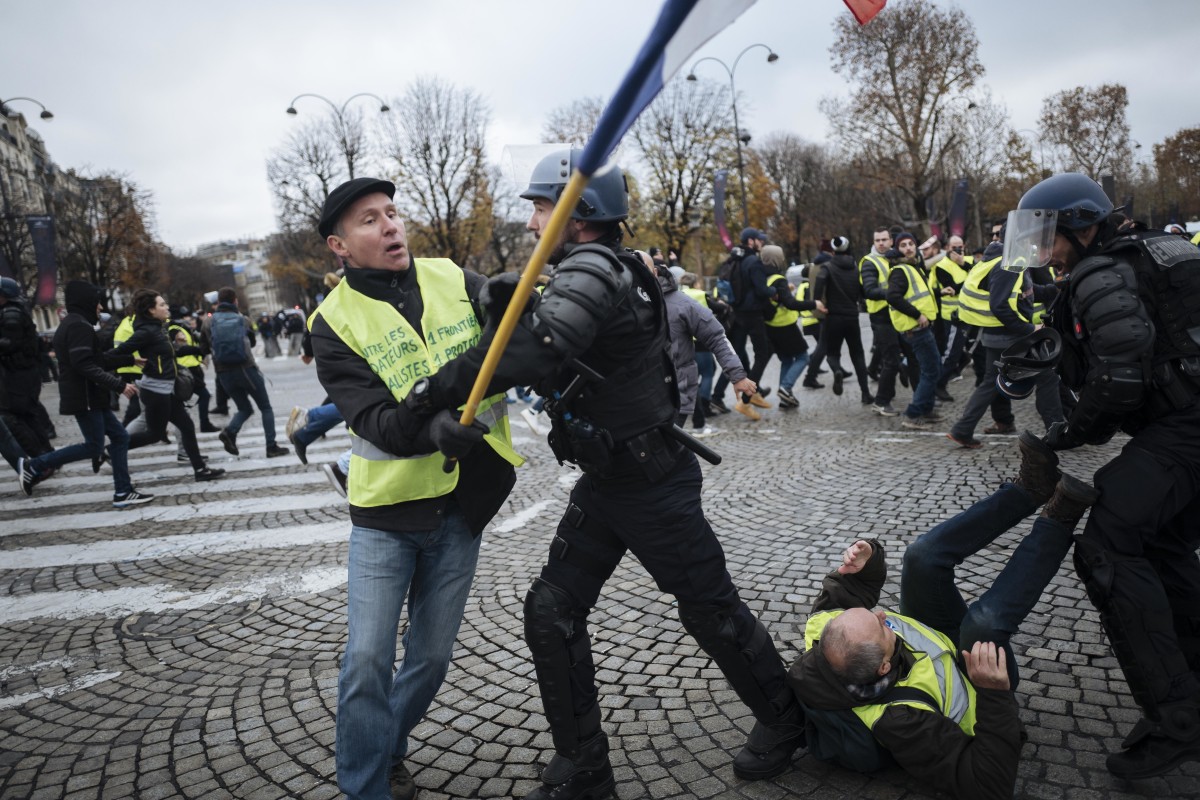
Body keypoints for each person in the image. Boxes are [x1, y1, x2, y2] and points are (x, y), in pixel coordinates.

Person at [429, 149, 806, 799]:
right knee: (551, 609)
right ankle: (585, 766)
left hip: (653, 483)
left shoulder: (598, 271)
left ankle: (786, 721)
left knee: (712, 613)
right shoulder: (606, 269)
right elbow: (557, 358)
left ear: (578, 215)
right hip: (609, 481)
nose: (530, 223)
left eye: (542, 208)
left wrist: (426, 395)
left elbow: (534, 350)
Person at [308, 177, 522, 800]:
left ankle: (388, 741)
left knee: (429, 660)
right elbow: (375, 421)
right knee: (368, 660)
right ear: (339, 246)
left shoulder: (452, 276)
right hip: (387, 515)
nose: (391, 226)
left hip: (465, 504)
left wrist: (523, 298)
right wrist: (432, 423)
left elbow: (518, 328)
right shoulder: (331, 323)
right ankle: (365, 787)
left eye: (393, 213)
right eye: (370, 220)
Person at [1008, 173, 1200, 778]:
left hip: (1186, 428)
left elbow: (1119, 380)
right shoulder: (1159, 250)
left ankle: (1177, 720)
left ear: (1082, 226)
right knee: (1161, 542)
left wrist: (1068, 433)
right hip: (1185, 423)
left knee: (1107, 544)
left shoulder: (1100, 271)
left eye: (1049, 235)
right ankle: (1190, 690)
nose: (1043, 250)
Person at [788, 433, 1100, 799]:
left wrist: (867, 555)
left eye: (868, 613)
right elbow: (988, 786)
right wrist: (995, 694)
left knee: (921, 557)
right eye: (881, 624)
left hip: (936, 641)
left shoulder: (825, 629)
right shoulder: (901, 721)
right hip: (979, 679)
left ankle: (1028, 490)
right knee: (982, 623)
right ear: (884, 667)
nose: (883, 612)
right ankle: (1057, 520)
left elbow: (852, 591)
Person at [17, 281, 154, 507]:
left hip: (91, 397)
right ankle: (35, 466)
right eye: (97, 302)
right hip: (86, 397)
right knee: (94, 446)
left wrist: (130, 359)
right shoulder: (78, 327)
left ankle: (123, 491)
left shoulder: (75, 324)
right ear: (87, 302)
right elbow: (84, 365)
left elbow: (96, 359)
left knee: (120, 437)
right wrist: (119, 385)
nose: (100, 307)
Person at [947, 232, 1063, 449]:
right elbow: (999, 305)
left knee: (991, 382)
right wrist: (1030, 328)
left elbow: (1026, 292)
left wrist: (1055, 288)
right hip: (1010, 336)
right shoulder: (1008, 264)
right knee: (1047, 377)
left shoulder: (1011, 261)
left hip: (1001, 336)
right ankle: (1057, 431)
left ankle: (963, 429)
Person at [106, 290, 225, 482]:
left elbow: (171, 352)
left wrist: (198, 349)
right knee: (154, 434)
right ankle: (112, 448)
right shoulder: (146, 331)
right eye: (162, 305)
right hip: (155, 391)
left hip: (166, 389)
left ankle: (201, 470)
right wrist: (128, 361)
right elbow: (117, 353)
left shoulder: (158, 328)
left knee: (186, 426)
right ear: (151, 310)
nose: (166, 307)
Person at [654, 259, 751, 433]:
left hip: (675, 392)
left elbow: (716, 336)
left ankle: (704, 409)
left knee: (668, 450)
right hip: (636, 396)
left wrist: (737, 375)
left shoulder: (682, 302)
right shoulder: (623, 302)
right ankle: (704, 409)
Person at [203, 288, 289, 459]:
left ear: (218, 302)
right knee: (265, 407)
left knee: (244, 408)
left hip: (223, 373)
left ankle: (230, 432)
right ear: (235, 301)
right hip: (246, 369)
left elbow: (204, 348)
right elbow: (251, 342)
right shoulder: (243, 320)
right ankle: (271, 446)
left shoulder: (208, 322)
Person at [886, 232, 943, 429]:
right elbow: (892, 296)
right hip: (917, 328)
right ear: (897, 249)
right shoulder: (901, 270)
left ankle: (926, 409)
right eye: (903, 245)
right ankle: (913, 414)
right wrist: (918, 315)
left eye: (911, 243)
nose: (908, 248)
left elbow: (918, 294)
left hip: (920, 328)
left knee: (929, 369)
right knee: (931, 370)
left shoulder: (912, 268)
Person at [760, 244, 824, 409]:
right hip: (785, 326)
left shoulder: (761, 278)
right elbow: (791, 303)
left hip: (769, 327)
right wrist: (813, 303)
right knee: (803, 357)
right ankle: (785, 388)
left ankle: (785, 398)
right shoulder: (778, 279)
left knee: (787, 359)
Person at [0, 277, 54, 455]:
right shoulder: (12, 311)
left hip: (19, 371)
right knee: (26, 414)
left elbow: (10, 343)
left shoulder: (11, 313)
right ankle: (45, 455)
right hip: (21, 371)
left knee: (18, 415)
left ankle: (41, 456)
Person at [859, 228, 903, 416]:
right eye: (877, 240)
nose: (881, 243)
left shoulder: (894, 258)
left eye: (884, 239)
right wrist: (894, 294)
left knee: (900, 356)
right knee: (891, 359)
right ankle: (881, 401)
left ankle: (893, 394)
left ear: (891, 241)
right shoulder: (870, 262)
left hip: (897, 313)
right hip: (881, 316)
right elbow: (869, 290)